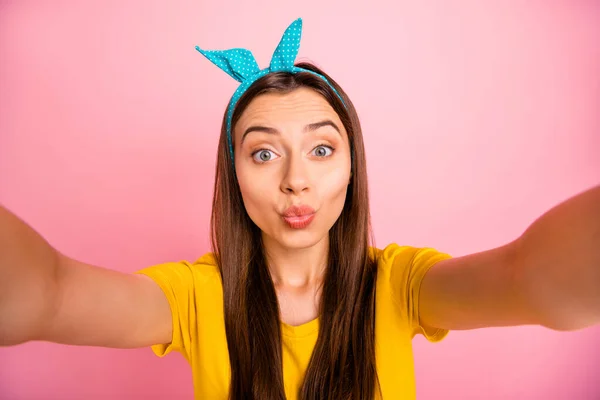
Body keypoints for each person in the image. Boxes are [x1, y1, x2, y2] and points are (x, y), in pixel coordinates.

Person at [1, 17, 598, 400]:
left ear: (351, 167)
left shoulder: (400, 286)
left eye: (320, 149)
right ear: (232, 174)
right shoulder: (194, 298)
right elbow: (49, 293)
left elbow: (530, 279)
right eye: (263, 153)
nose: (295, 181)